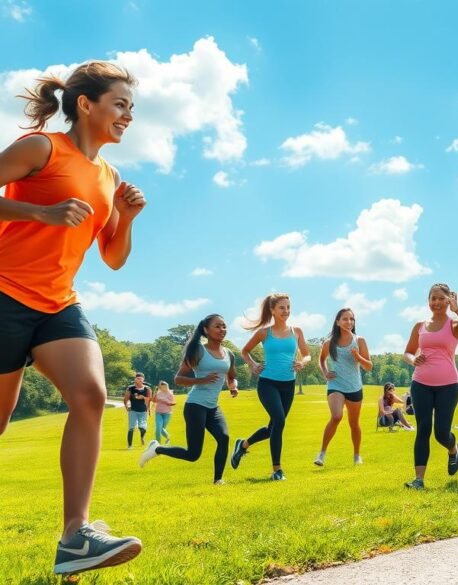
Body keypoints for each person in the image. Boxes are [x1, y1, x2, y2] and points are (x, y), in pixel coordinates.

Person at [0, 61, 145, 574]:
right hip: (4, 293)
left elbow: (113, 257)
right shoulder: (41, 148)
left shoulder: (110, 176)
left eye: (131, 108)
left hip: (59, 303)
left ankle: (75, 537)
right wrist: (39, 212)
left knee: (89, 396)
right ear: (87, 105)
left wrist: (124, 219)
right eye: (121, 104)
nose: (128, 116)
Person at [138, 314, 238, 484]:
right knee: (193, 454)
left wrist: (233, 386)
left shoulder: (229, 353)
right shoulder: (198, 351)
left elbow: (231, 376)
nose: (222, 330)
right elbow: (178, 379)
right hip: (195, 406)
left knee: (224, 438)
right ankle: (158, 449)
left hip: (213, 407)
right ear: (206, 330)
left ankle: (218, 480)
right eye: (218, 326)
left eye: (224, 326)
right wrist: (201, 380)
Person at [402, 283, 458, 489]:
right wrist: (413, 360)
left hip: (448, 386)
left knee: (441, 433)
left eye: (441, 299)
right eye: (432, 299)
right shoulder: (420, 325)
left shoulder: (454, 324)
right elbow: (408, 352)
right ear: (428, 301)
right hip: (420, 384)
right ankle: (419, 480)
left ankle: (453, 448)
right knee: (423, 429)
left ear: (449, 300)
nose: (436, 303)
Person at [231, 293, 310, 481]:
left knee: (274, 426)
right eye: (282, 308)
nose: (286, 311)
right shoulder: (264, 333)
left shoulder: (296, 331)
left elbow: (307, 354)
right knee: (279, 422)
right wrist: (252, 364)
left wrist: (302, 362)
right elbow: (245, 351)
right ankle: (277, 470)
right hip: (267, 383)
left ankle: (243, 445)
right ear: (273, 310)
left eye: (288, 307)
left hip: (288, 385)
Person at [315, 307, 372, 466]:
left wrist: (358, 357)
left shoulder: (359, 340)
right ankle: (321, 454)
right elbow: (321, 360)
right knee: (336, 416)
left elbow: (369, 366)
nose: (349, 322)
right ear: (338, 322)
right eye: (345, 319)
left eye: (352, 319)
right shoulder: (329, 342)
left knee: (354, 424)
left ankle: (356, 455)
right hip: (336, 384)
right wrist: (325, 372)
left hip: (354, 386)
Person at [123, 372, 151, 449]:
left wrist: (143, 398)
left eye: (141, 379)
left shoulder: (147, 388)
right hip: (133, 410)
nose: (139, 380)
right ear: (135, 379)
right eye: (137, 379)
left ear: (143, 379)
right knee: (131, 427)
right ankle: (130, 446)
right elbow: (126, 399)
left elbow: (150, 399)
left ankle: (142, 438)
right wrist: (127, 406)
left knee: (142, 428)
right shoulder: (130, 388)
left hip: (143, 411)